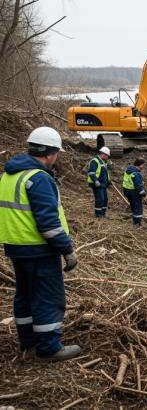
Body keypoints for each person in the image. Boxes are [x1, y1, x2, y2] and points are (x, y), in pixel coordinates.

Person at [0, 127, 81, 362]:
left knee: (25, 296)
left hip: (16, 247)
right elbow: (48, 223)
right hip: (40, 249)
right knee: (47, 297)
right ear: (49, 153)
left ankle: (29, 342)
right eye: (56, 154)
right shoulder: (39, 178)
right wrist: (67, 248)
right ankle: (48, 348)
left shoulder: (8, 176)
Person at [122, 158, 147, 225]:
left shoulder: (128, 169)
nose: (143, 166)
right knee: (138, 207)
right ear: (140, 165)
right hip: (133, 192)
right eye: (143, 164)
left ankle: (135, 218)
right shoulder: (136, 174)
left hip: (126, 190)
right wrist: (144, 194)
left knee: (133, 205)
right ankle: (137, 223)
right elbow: (139, 187)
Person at [87, 147, 110, 218]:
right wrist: (95, 180)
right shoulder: (94, 161)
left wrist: (109, 181)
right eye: (107, 155)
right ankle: (98, 214)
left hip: (103, 184)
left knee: (105, 199)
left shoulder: (103, 162)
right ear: (103, 154)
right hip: (97, 184)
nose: (107, 157)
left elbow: (105, 174)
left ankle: (103, 213)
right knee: (100, 199)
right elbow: (91, 172)